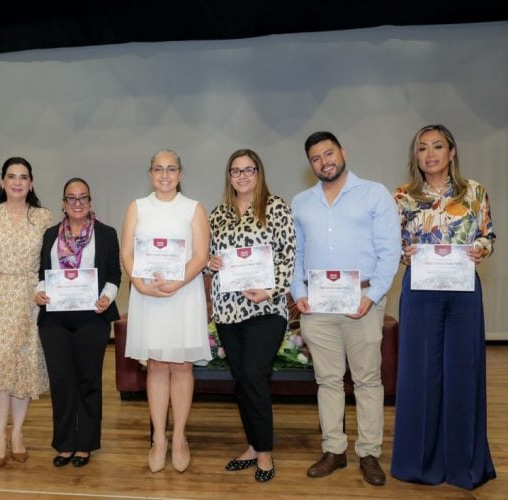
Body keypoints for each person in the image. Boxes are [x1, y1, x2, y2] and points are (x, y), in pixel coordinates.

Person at [290, 131, 400, 486]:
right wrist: (298, 292)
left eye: (329, 153)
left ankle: (369, 453)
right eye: (316, 158)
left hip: (362, 300)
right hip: (317, 305)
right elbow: (295, 254)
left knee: (367, 380)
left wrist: (374, 295)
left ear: (343, 152)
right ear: (310, 165)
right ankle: (334, 450)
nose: (324, 162)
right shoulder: (301, 202)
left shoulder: (374, 193)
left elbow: (390, 251)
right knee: (327, 381)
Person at [391, 124, 496, 490]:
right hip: (420, 292)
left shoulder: (474, 191)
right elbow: (393, 243)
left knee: (464, 371)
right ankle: (419, 464)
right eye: (422, 148)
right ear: (415, 156)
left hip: (462, 292)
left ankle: (464, 464)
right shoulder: (403, 196)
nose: (430, 154)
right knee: (421, 374)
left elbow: (487, 235)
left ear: (451, 152)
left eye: (437, 146)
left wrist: (481, 248)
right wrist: (403, 252)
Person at [121, 149, 211, 473]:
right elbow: (127, 253)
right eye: (158, 169)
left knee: (182, 366)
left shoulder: (194, 208)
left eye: (171, 169)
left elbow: (201, 255)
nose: (164, 175)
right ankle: (159, 438)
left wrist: (176, 282)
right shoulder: (137, 207)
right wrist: (139, 285)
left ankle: (180, 437)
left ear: (180, 173)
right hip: (148, 297)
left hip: (183, 295)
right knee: (157, 365)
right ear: (150, 173)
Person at [208, 149, 295, 482]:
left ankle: (265, 452)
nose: (242, 176)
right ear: (228, 176)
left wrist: (271, 291)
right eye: (236, 171)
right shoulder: (218, 214)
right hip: (228, 311)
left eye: (249, 170)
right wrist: (209, 262)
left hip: (266, 309)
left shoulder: (276, 207)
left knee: (255, 376)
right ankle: (253, 445)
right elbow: (206, 256)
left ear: (259, 173)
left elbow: (289, 256)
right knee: (242, 380)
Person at [0, 157, 53, 469]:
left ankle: (17, 433)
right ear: (2, 182)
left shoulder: (43, 217)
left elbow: (52, 262)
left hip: (29, 300)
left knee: (21, 369)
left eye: (23, 177)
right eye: (12, 176)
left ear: (31, 183)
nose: (17, 182)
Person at [35, 178, 121, 468]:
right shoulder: (50, 235)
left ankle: (85, 444)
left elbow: (114, 274)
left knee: (88, 380)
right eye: (71, 198)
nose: (77, 203)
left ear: (90, 201)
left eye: (83, 197)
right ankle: (64, 443)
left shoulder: (106, 234)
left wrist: (107, 297)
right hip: (54, 320)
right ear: (63, 203)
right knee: (61, 382)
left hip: (92, 317)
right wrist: (39, 291)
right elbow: (42, 274)